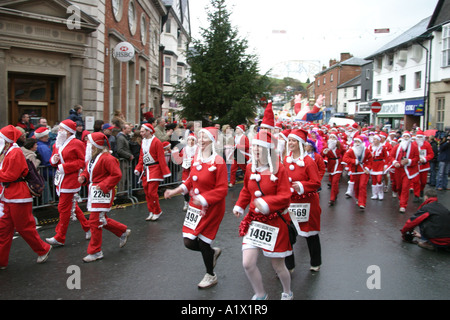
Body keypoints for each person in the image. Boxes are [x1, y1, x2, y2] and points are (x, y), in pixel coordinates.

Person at [233, 130, 293, 300]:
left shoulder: (279, 169)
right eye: (254, 147)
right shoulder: (251, 167)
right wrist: (239, 205)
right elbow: (246, 190)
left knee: (278, 266)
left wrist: (267, 204)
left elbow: (285, 196)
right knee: (248, 263)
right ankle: (260, 294)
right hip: (254, 221)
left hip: (275, 222)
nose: (256, 150)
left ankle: (287, 291)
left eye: (259, 147)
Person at [165, 127, 227, 289]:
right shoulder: (196, 158)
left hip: (212, 208)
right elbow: (190, 181)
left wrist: (204, 198)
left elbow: (222, 189)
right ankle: (212, 253)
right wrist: (176, 191)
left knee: (204, 242)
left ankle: (210, 275)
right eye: (199, 137)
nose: (200, 140)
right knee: (188, 242)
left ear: (212, 141)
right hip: (195, 207)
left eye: (204, 137)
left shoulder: (218, 161)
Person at [0, 125, 51, 267]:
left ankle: (43, 249)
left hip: (18, 195)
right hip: (8, 195)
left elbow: (11, 175)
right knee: (3, 228)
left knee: (24, 227)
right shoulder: (7, 151)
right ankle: (1, 260)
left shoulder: (14, 152)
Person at [78, 132, 131, 262]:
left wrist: (103, 185)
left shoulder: (107, 158)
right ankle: (122, 230)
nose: (88, 146)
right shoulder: (93, 157)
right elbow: (88, 169)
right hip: (95, 191)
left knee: (95, 220)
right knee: (101, 219)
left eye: (90, 144)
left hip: (103, 191)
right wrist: (84, 176)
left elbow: (116, 174)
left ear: (96, 146)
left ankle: (95, 251)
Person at [46, 119, 90, 246]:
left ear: (69, 131)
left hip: (71, 179)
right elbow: (53, 159)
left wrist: (64, 167)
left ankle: (60, 236)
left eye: (62, 128)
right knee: (72, 206)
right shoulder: (57, 144)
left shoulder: (77, 143)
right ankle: (87, 227)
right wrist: (53, 161)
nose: (59, 131)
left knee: (63, 207)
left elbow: (82, 162)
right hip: (60, 179)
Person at [284, 129, 322, 273]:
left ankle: (316, 262)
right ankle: (289, 265)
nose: (290, 143)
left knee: (310, 234)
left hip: (308, 203)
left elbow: (316, 182)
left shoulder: (309, 162)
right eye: (289, 140)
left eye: (293, 141)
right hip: (291, 202)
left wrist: (301, 185)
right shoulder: (286, 160)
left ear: (300, 143)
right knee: (287, 233)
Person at [135, 123, 171, 221]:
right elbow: (141, 156)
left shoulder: (156, 142)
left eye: (142, 131)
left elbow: (161, 157)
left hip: (155, 169)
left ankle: (157, 211)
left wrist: (165, 171)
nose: (141, 133)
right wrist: (138, 168)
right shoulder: (143, 141)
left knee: (152, 192)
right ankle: (151, 210)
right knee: (147, 192)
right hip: (146, 170)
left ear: (148, 131)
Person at [388, 131, 420, 213]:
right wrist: (395, 162)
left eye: (407, 136)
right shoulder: (397, 146)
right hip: (398, 170)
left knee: (405, 187)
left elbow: (417, 158)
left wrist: (408, 161)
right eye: (404, 136)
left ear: (409, 138)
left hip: (408, 170)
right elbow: (391, 156)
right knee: (399, 187)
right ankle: (400, 198)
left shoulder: (414, 147)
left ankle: (403, 205)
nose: (405, 138)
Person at [343, 135, 373, 210]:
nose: (357, 143)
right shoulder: (351, 150)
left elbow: (370, 160)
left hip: (363, 170)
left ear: (362, 142)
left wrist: (367, 168)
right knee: (356, 186)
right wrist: (354, 161)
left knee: (362, 186)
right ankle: (357, 197)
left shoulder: (366, 150)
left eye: (358, 142)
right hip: (355, 171)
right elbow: (345, 158)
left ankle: (362, 202)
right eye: (355, 141)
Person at [171, 133, 198, 211]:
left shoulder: (198, 149)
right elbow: (179, 161)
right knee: (185, 188)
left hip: (195, 171)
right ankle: (186, 202)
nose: (191, 141)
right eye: (189, 139)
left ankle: (194, 203)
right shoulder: (184, 149)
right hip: (186, 171)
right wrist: (175, 153)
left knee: (195, 187)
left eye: (193, 140)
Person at [321, 132, 345, 206]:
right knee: (332, 182)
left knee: (335, 182)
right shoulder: (326, 146)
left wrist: (344, 161)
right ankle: (336, 192)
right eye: (330, 137)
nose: (332, 139)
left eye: (333, 137)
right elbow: (322, 154)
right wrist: (325, 152)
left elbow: (345, 152)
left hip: (338, 164)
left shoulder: (340, 146)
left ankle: (332, 198)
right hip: (331, 164)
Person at [414, 130, 434, 201]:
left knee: (423, 182)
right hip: (415, 166)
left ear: (423, 137)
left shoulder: (427, 144)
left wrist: (425, 159)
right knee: (416, 181)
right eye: (418, 137)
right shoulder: (413, 144)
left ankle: (421, 190)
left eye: (420, 137)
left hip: (424, 166)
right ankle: (416, 195)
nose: (419, 138)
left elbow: (431, 154)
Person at [368, 133, 388, 201]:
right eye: (373, 139)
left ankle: (380, 193)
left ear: (379, 140)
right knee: (374, 180)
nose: (374, 141)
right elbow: (367, 156)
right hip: (373, 164)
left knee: (379, 179)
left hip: (380, 164)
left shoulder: (383, 147)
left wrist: (385, 165)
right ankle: (374, 194)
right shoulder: (370, 147)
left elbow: (386, 157)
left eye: (376, 139)